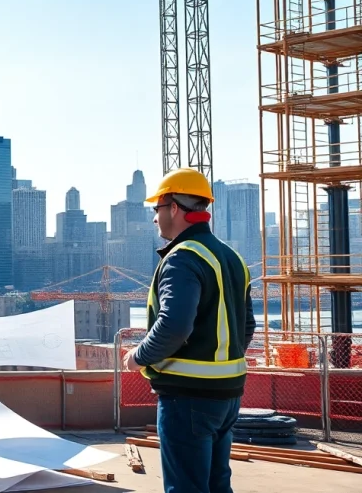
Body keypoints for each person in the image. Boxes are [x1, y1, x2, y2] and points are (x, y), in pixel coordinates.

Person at [122, 167, 256, 493]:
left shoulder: (182, 258)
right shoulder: (232, 257)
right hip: (228, 395)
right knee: (216, 484)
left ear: (173, 209)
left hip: (188, 398)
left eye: (156, 209)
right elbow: (246, 326)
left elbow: (174, 325)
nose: (154, 219)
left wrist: (138, 357)